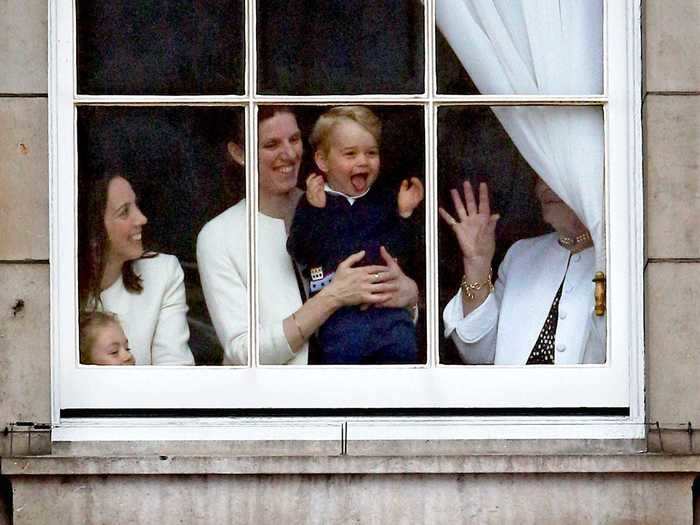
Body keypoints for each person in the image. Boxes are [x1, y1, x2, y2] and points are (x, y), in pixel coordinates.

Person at [197, 106, 419, 365]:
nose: (289, 154)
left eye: (294, 140)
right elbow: (242, 352)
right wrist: (332, 297)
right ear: (239, 153)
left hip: (363, 385)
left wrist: (410, 296)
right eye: (271, 144)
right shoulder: (219, 236)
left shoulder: (338, 205)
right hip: (275, 401)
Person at [287, 106, 423, 364]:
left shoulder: (385, 200)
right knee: (343, 368)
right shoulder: (315, 202)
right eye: (350, 154)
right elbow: (300, 250)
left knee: (403, 353)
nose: (363, 161)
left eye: (371, 153)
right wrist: (316, 212)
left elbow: (404, 252)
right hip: (341, 316)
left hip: (388, 310)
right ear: (323, 161)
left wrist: (404, 215)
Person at [440, 178, 605, 365]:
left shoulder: (618, 258)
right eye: (539, 175)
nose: (544, 185)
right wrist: (477, 266)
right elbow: (477, 352)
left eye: (553, 174)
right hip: (512, 393)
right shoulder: (521, 254)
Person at [79, 173, 194, 366]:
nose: (142, 218)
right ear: (93, 230)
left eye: (136, 206)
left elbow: (175, 370)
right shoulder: (60, 288)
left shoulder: (162, 272)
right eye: (124, 212)